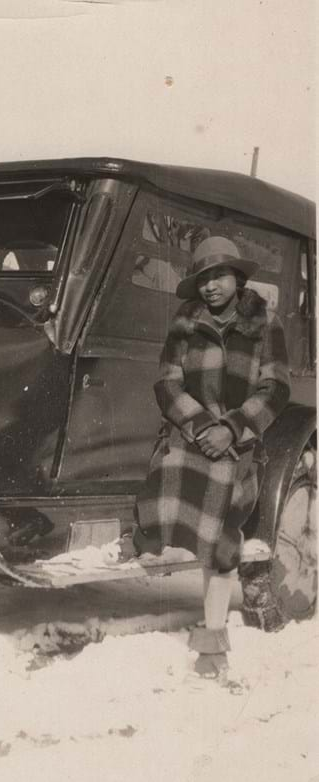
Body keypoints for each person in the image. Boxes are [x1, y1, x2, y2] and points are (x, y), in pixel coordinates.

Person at [133, 236, 291, 679]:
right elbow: (167, 383)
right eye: (203, 279)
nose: (210, 287)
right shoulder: (184, 323)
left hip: (237, 443)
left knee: (221, 537)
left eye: (219, 276)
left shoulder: (264, 324)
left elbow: (276, 387)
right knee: (166, 502)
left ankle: (213, 644)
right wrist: (202, 426)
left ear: (238, 278)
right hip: (190, 438)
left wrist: (233, 428)